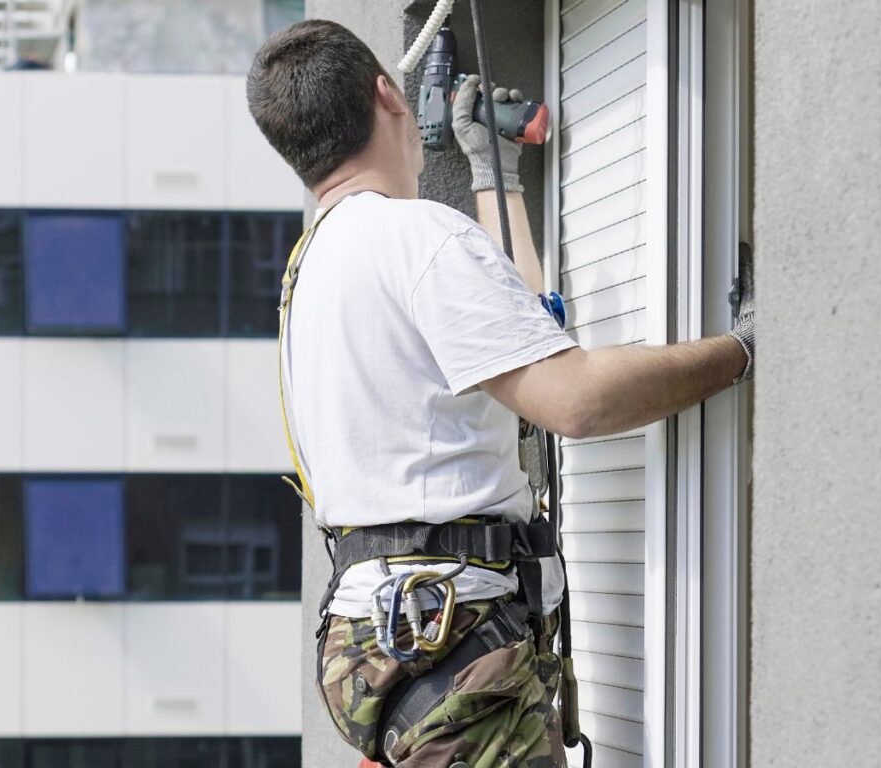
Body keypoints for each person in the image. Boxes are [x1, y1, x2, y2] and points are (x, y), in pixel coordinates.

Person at [246, 19, 754, 768]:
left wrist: (497, 177)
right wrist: (739, 351)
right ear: (388, 93)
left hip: (386, 644)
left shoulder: (309, 271)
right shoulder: (415, 239)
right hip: (449, 650)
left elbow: (514, 335)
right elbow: (573, 397)